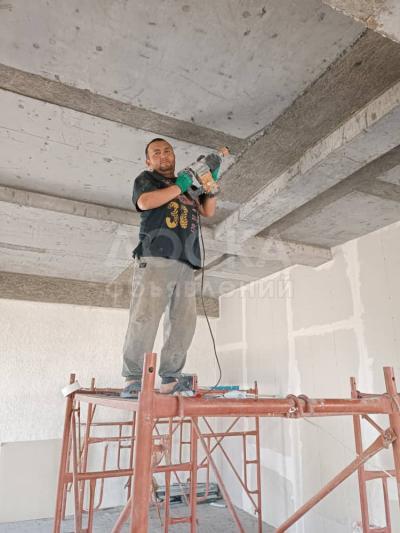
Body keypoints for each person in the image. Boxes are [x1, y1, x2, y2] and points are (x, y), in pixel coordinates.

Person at [121, 138, 218, 397]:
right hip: (156, 256)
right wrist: (180, 185)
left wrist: (211, 183)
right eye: (157, 153)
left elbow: (208, 211)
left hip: (186, 261)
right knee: (145, 317)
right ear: (148, 161)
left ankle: (171, 377)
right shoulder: (146, 179)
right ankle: (133, 378)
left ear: (174, 156)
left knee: (183, 322)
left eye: (167, 151)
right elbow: (145, 202)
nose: (163, 156)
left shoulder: (188, 188)